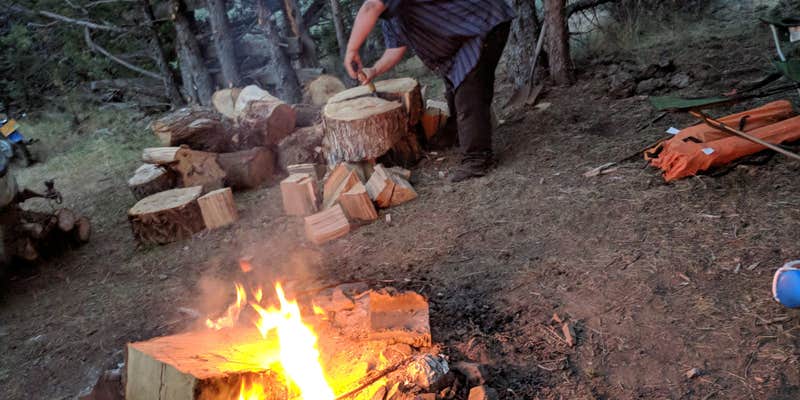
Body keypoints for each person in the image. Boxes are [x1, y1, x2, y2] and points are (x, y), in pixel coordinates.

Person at [344, 0, 515, 182]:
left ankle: (478, 158)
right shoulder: (391, 14)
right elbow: (395, 48)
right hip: (464, 38)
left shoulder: (377, 4)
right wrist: (374, 70)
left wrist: (352, 50)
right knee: (456, 87)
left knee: (470, 92)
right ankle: (457, 132)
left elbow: (370, 7)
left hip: (481, 25)